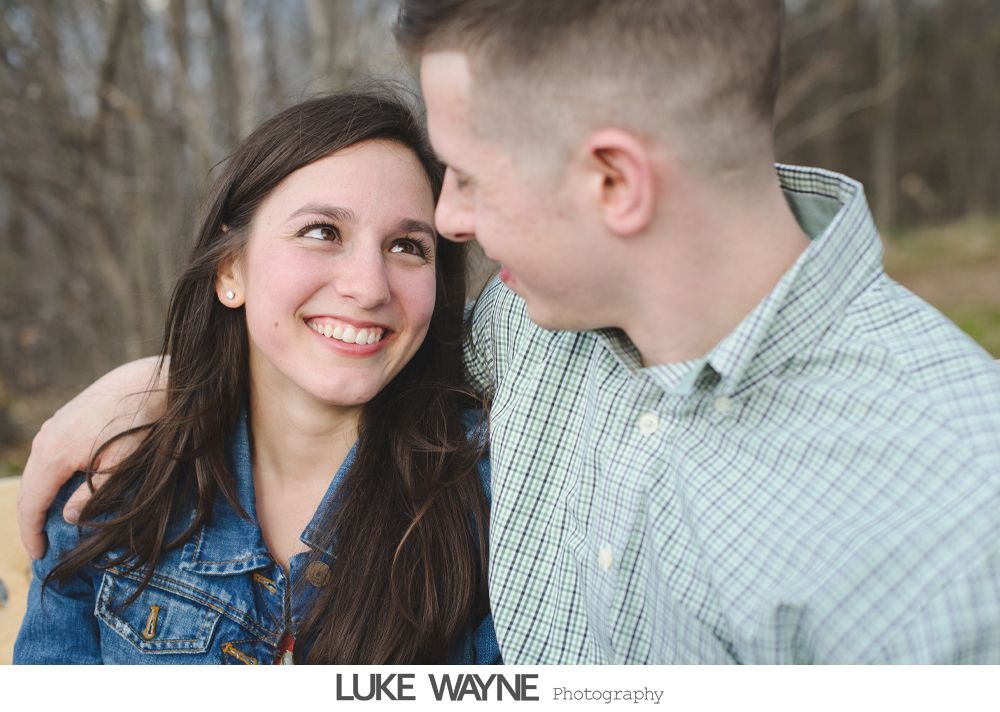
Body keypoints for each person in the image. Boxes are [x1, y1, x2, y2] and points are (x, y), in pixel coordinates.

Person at [20, 1, 1000, 663]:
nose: (451, 222)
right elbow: (335, 359)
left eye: (467, 175)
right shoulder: (530, 326)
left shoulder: (952, 520)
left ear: (613, 182)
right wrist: (161, 387)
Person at [14, 90, 499, 664]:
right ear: (230, 268)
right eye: (322, 231)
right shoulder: (113, 489)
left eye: (406, 246)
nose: (370, 287)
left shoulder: (494, 501)